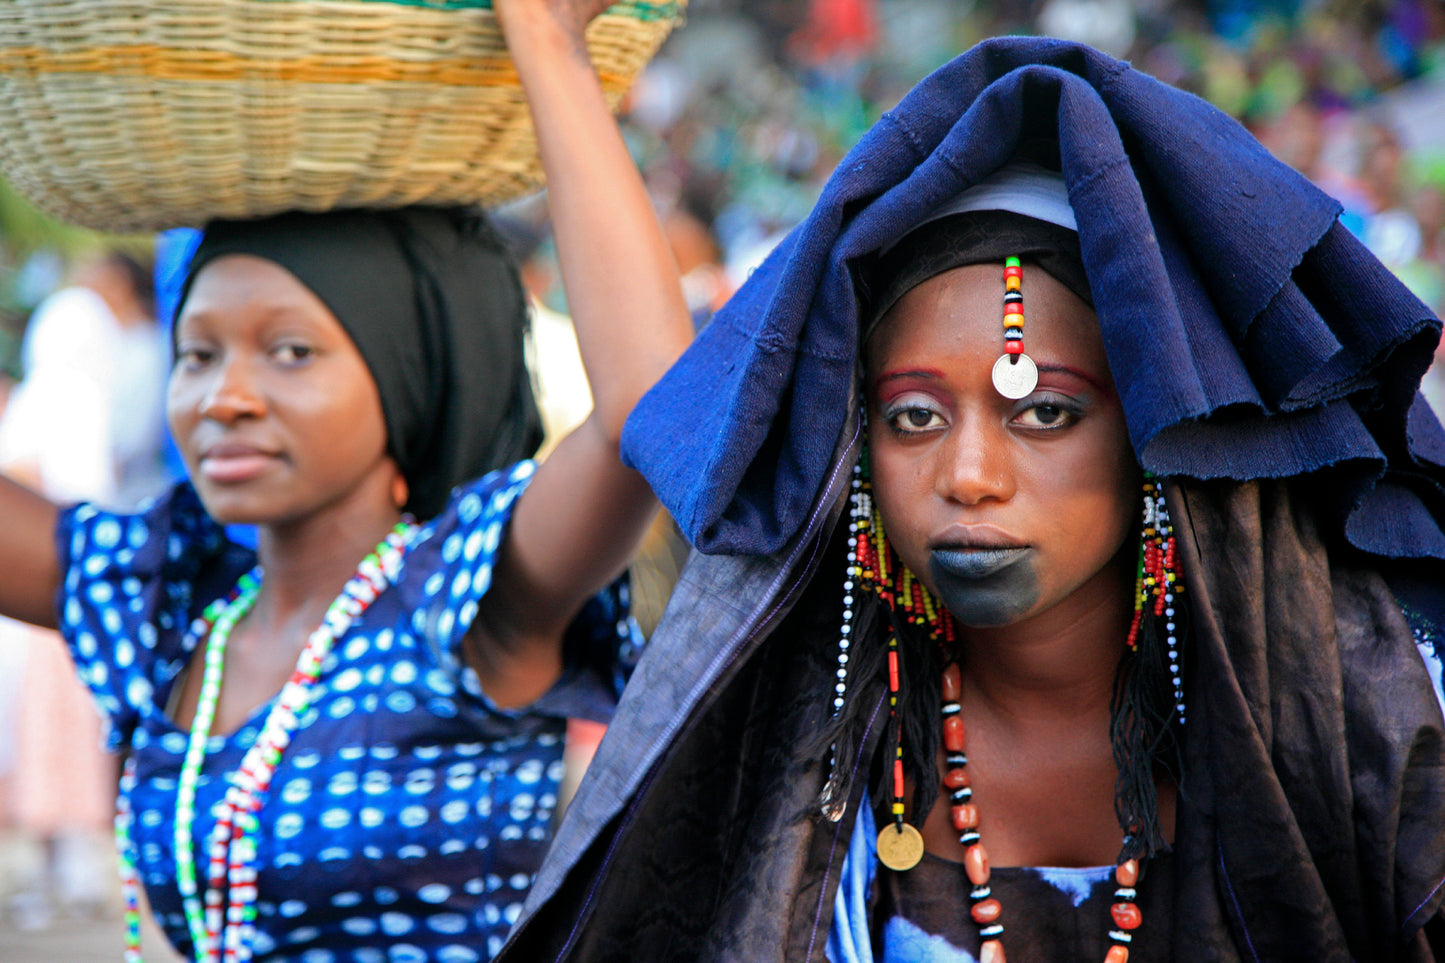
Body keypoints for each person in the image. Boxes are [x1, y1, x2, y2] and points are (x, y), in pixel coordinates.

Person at [494, 35, 1445, 962]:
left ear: (1154, 443)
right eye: (911, 417)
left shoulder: (1360, 731)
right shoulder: (787, 757)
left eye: (1043, 413)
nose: (967, 474)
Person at [0, 0, 691, 959]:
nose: (223, 398)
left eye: (288, 351)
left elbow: (643, 418)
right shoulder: (173, 604)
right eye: (196, 355)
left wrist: (547, 47)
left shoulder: (466, 599)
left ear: (405, 380)